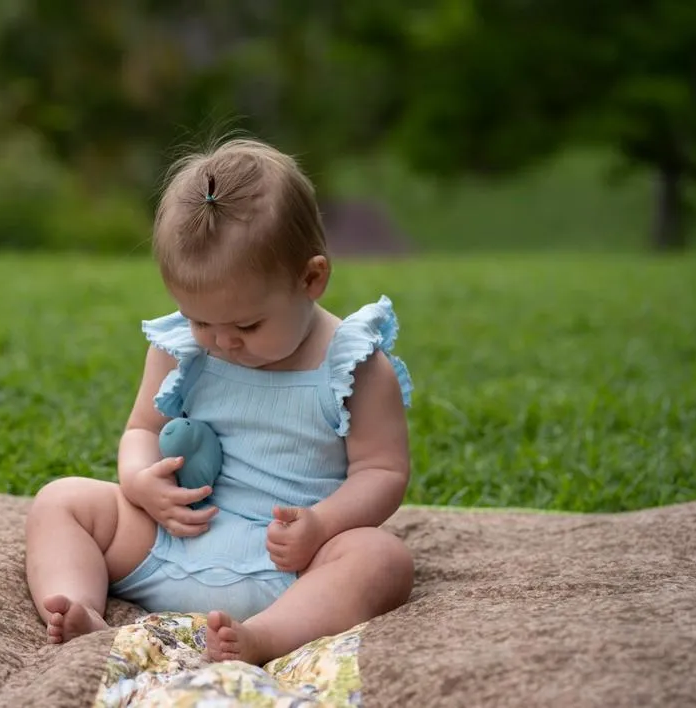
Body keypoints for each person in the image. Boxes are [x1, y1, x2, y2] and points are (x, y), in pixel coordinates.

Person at [24, 137, 415, 666]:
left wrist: (320, 526)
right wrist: (141, 481)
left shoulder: (353, 365)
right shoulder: (181, 350)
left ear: (311, 278)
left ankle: (265, 637)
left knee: (381, 558)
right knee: (61, 500)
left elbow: (382, 470)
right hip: (175, 541)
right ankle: (80, 610)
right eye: (200, 320)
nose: (222, 342)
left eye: (247, 325)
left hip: (293, 566)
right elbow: (142, 429)